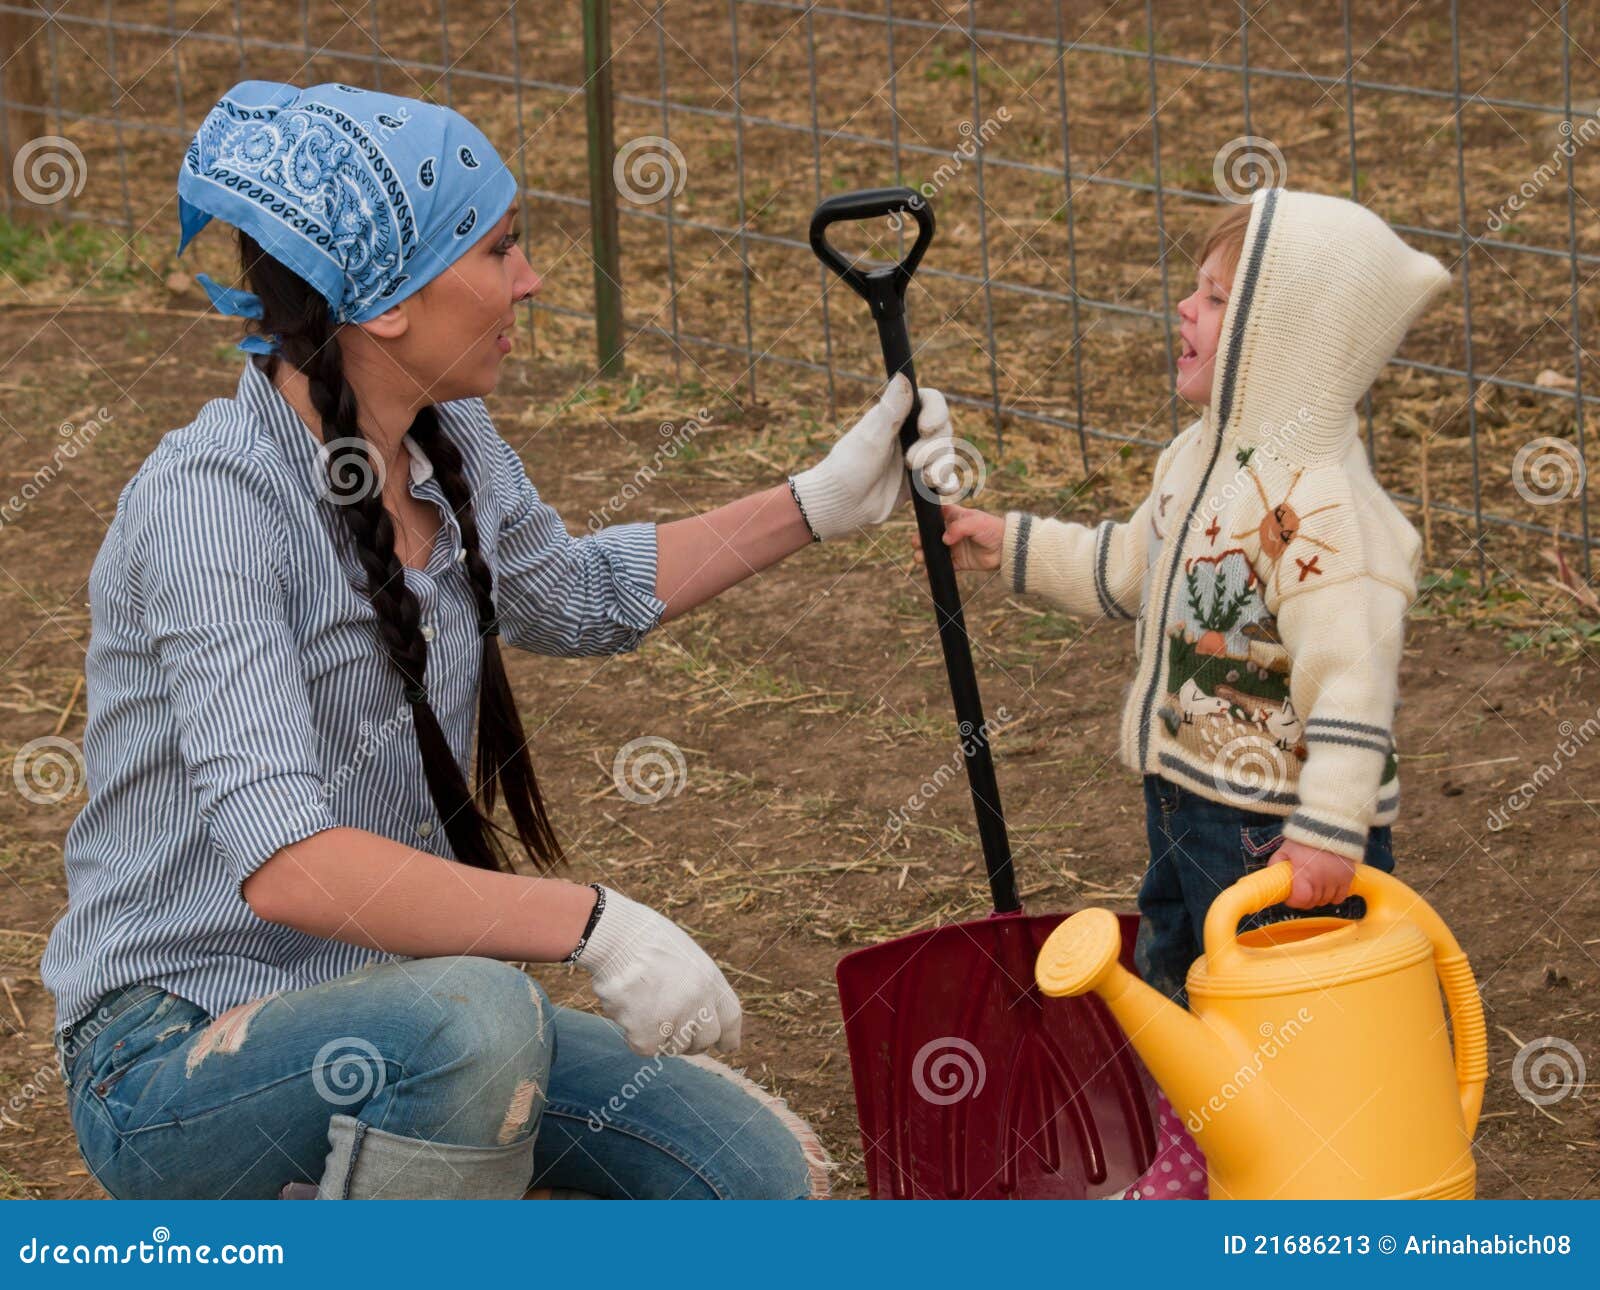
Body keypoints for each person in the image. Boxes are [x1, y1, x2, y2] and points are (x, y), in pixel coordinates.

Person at [41, 79, 954, 1200]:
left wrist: (814, 502)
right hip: (178, 1062)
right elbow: (288, 865)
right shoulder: (210, 504)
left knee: (748, 1174)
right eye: (497, 251)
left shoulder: (447, 435)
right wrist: (595, 926)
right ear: (383, 302)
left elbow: (572, 595)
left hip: (401, 1021)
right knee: (479, 1010)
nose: (528, 281)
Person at [913, 188, 1450, 1198]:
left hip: (1276, 829)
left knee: (1279, 1001)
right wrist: (1012, 546)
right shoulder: (1202, 460)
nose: (1183, 311)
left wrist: (1328, 832)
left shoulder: (1326, 508)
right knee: (1178, 969)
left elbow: (1354, 682)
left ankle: (1310, 1166)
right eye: (1192, 292)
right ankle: (1205, 1156)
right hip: (1185, 797)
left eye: (1211, 299)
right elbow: (1129, 569)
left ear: (1278, 339)